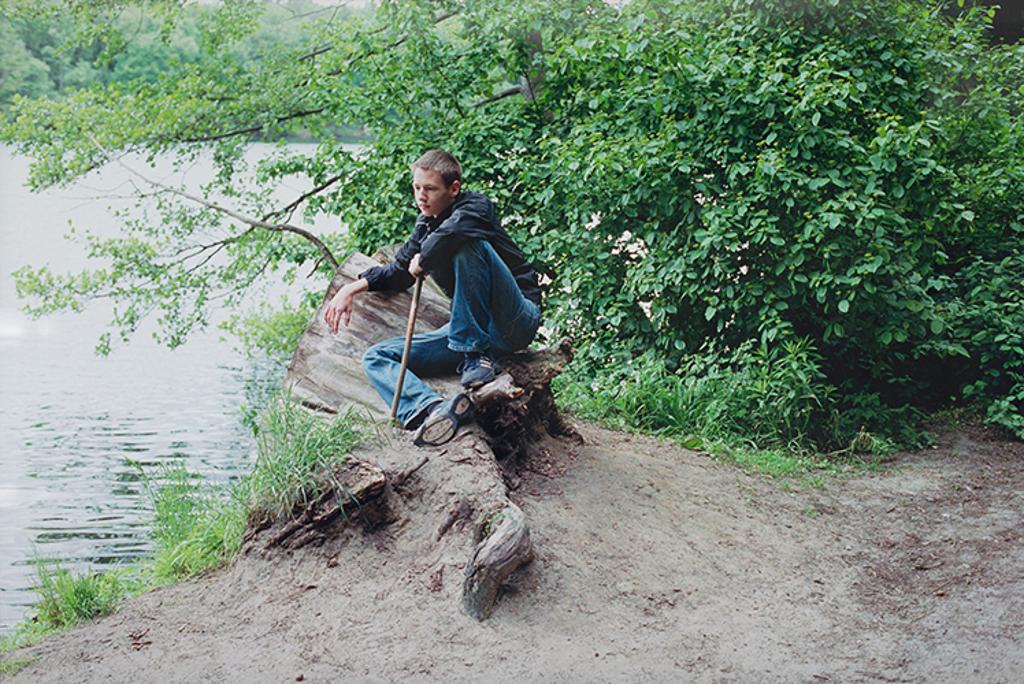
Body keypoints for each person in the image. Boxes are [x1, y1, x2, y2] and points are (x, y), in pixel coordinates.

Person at [323, 149, 542, 447]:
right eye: (416, 188)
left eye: (430, 189)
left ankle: (475, 356)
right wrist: (350, 288)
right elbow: (399, 273)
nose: (421, 197)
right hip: (474, 332)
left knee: (469, 245)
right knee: (377, 357)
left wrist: (425, 256)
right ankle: (430, 410)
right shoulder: (425, 224)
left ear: (454, 189)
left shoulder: (477, 207)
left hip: (514, 320)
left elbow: (454, 232)